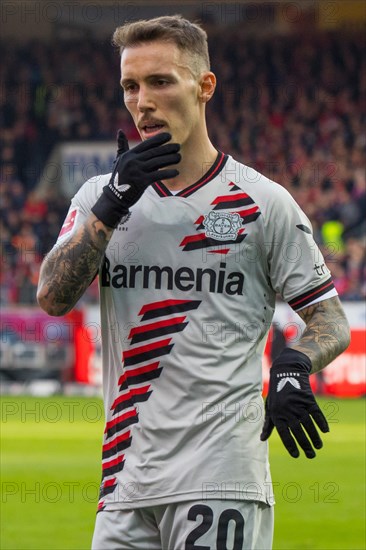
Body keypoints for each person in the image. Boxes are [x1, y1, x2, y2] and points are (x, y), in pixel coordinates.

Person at [37, 15, 350, 550]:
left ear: (205, 87)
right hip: (124, 481)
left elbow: (330, 320)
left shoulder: (262, 201)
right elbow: (52, 297)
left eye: (160, 81)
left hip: (221, 475)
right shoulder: (99, 197)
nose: (142, 102)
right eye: (130, 87)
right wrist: (114, 202)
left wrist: (296, 365)